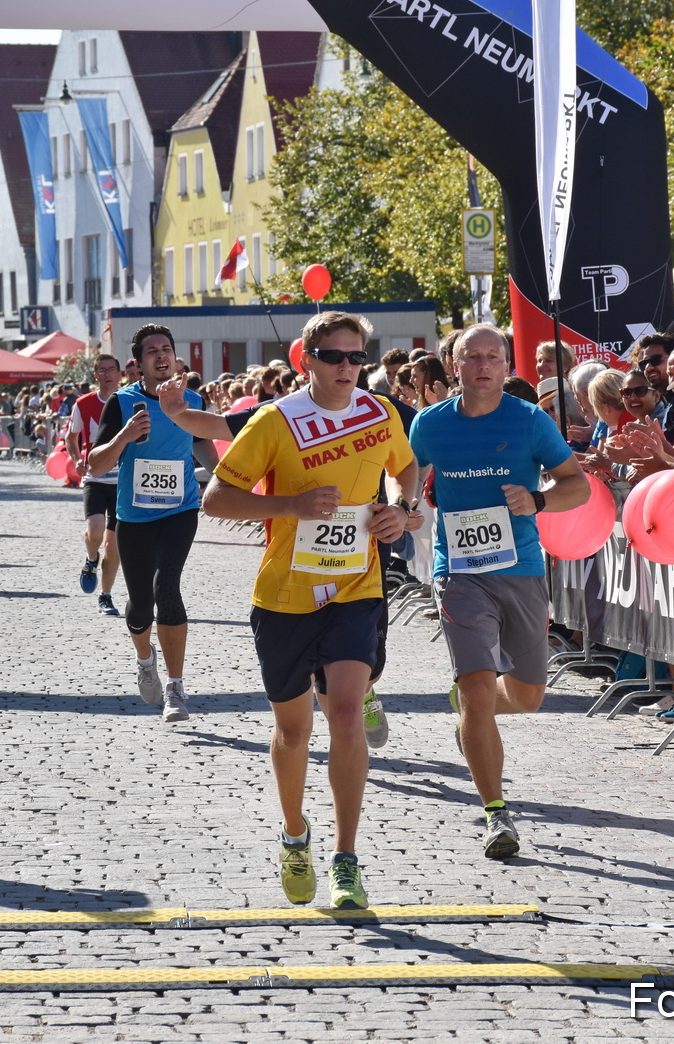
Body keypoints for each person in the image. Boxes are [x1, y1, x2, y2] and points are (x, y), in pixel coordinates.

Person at [204, 311, 421, 908]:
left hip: (357, 587)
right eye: (335, 357)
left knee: (347, 714)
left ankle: (346, 858)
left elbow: (405, 470)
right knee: (294, 730)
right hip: (284, 596)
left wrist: (401, 510)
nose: (348, 368)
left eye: (358, 358)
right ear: (307, 359)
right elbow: (216, 497)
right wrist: (291, 505)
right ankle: (295, 834)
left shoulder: (379, 415)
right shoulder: (275, 422)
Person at [408, 324, 587, 859]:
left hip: (522, 567)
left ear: (508, 366)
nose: (483, 365)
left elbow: (575, 484)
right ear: (453, 365)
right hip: (458, 573)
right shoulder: (429, 424)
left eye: (494, 356)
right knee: (479, 688)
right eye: (472, 357)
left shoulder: (530, 420)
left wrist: (538, 500)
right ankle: (496, 813)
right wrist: (404, 503)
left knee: (529, 696)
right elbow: (406, 477)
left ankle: (468, 710)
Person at [87, 326, 216, 722]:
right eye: (152, 352)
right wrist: (125, 436)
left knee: (167, 586)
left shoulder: (192, 400)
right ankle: (146, 661)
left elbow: (207, 450)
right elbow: (96, 464)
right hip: (134, 516)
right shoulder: (122, 403)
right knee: (141, 606)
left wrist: (234, 480)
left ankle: (175, 689)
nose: (161, 356)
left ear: (175, 358)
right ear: (139, 363)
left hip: (180, 511)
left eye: (167, 350)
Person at [68, 353, 125, 616]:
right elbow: (73, 436)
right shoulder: (84, 403)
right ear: (95, 375)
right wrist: (76, 459)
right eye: (102, 370)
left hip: (122, 480)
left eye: (111, 369)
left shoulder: (128, 402)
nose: (107, 374)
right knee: (95, 532)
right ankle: (91, 559)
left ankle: (106, 596)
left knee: (114, 546)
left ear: (119, 373)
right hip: (95, 477)